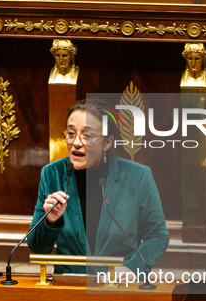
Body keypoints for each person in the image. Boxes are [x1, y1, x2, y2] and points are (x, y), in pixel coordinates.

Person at [27, 99, 169, 275]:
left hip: (118, 286)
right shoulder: (52, 174)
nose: (76, 143)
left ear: (107, 142)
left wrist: (133, 269)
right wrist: (51, 221)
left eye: (87, 135)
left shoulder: (138, 176)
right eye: (71, 133)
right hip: (70, 287)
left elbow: (157, 236)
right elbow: (38, 247)